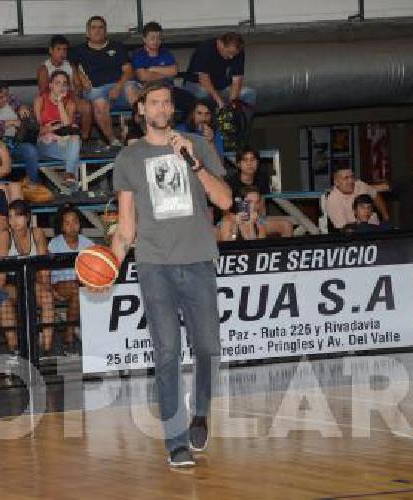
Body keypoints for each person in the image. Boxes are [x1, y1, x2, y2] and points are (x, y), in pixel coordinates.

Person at [105, 80, 232, 468]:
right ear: (141, 110)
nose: (161, 108)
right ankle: (175, 439)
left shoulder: (198, 145)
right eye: (153, 103)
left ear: (172, 110)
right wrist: (110, 264)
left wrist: (194, 163)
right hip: (154, 264)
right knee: (167, 352)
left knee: (208, 348)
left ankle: (200, 414)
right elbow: (126, 226)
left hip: (197, 259)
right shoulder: (129, 158)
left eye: (166, 103)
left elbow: (225, 200)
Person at [0, 200, 55, 358]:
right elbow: (1, 269)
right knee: (3, 301)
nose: (13, 221)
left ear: (27, 217)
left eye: (18, 216)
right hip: (11, 281)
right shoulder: (4, 235)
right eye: (10, 217)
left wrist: (46, 287)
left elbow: (43, 267)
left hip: (32, 279)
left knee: (47, 297)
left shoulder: (37, 233)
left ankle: (46, 348)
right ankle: (14, 348)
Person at [70, 16, 139, 147]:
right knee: (99, 102)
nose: (97, 30)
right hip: (96, 90)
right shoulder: (79, 50)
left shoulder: (117, 47)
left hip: (119, 87)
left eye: (101, 27)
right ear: (87, 32)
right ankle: (114, 141)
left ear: (106, 31)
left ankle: (139, 133)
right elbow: (72, 67)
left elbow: (129, 70)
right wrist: (79, 78)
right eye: (93, 27)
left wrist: (118, 86)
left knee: (132, 89)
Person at [184, 32, 255, 136]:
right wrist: (219, 102)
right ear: (221, 44)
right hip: (198, 86)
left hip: (222, 88)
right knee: (202, 94)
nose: (231, 57)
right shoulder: (206, 49)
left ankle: (238, 130)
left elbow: (237, 80)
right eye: (229, 53)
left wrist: (232, 104)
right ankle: (200, 130)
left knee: (249, 94)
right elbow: (204, 79)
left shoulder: (237, 52)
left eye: (234, 55)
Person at [47, 205, 95, 355]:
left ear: (79, 224)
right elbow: (45, 272)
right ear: (61, 226)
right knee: (76, 289)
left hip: (81, 285)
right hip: (59, 285)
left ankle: (74, 334)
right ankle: (69, 336)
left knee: (78, 290)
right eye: (67, 223)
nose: (71, 226)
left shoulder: (88, 244)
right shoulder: (54, 244)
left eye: (74, 222)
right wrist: (49, 290)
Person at [0, 82, 41, 186]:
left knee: (31, 151)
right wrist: (7, 123)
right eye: (1, 97)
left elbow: (23, 109)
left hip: (15, 142)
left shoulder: (11, 99)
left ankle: (33, 183)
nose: (5, 99)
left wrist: (23, 108)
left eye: (7, 96)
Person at [37, 35, 94, 142]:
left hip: (69, 97)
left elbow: (77, 86)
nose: (62, 53)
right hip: (51, 99)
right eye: (58, 49)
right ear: (51, 50)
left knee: (86, 106)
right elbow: (43, 91)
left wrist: (71, 94)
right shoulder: (44, 68)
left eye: (64, 50)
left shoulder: (70, 65)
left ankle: (85, 139)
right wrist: (58, 96)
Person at [225, 147, 292, 237]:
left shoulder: (262, 179)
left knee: (286, 225)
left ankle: (267, 250)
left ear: (257, 162)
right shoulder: (230, 182)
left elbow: (262, 206)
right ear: (239, 164)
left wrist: (259, 221)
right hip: (234, 220)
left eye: (253, 159)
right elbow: (225, 212)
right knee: (227, 225)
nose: (249, 163)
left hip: (256, 218)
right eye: (245, 160)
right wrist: (237, 220)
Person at [34, 70, 84, 185]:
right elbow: (38, 130)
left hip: (65, 142)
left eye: (64, 83)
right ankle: (72, 190)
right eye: (57, 83)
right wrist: (55, 127)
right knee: (73, 155)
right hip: (46, 142)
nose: (61, 86)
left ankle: (69, 177)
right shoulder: (40, 100)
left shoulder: (70, 103)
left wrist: (60, 102)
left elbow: (66, 127)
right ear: (50, 85)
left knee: (74, 140)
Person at [326, 164, 389, 231]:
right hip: (356, 233)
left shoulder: (360, 185)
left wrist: (386, 217)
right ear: (336, 182)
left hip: (377, 228)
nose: (351, 181)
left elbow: (375, 195)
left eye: (352, 177)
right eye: (346, 178)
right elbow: (344, 229)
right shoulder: (333, 201)